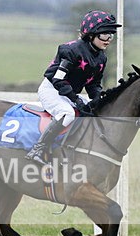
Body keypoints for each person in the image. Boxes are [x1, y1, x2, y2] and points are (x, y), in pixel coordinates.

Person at [25, 9, 120, 164]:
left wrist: (99, 101)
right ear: (91, 34)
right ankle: (38, 149)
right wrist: (75, 99)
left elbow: (94, 85)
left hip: (67, 92)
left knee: (90, 112)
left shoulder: (102, 57)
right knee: (67, 113)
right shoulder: (71, 51)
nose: (108, 39)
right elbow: (58, 80)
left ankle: (71, 149)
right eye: (104, 35)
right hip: (52, 90)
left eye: (111, 35)